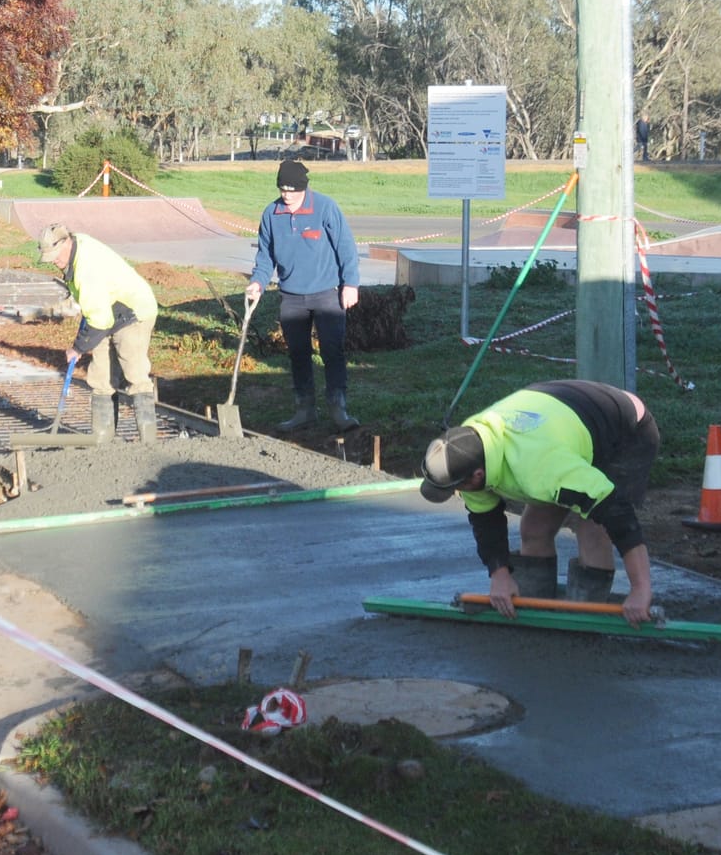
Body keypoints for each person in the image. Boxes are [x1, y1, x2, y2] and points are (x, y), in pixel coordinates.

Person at [419, 380, 660, 625]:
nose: (457, 493)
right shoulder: (470, 450)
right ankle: (535, 611)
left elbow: (618, 515)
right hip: (561, 422)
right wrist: (499, 575)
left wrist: (640, 589)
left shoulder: (540, 468)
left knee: (591, 529)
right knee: (533, 530)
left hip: (624, 429)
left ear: (477, 475)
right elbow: (486, 522)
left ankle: (586, 619)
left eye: (455, 488)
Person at [244, 160, 360, 432]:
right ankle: (304, 409)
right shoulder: (271, 214)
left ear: (304, 189)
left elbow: (346, 248)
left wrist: (350, 284)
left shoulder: (325, 207)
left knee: (332, 350)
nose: (287, 195)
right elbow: (265, 255)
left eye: (292, 191)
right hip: (291, 296)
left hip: (326, 293)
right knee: (298, 353)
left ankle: (338, 407)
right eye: (282, 190)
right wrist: (258, 282)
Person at [36, 222, 159, 442]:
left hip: (133, 311)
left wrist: (78, 348)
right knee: (100, 377)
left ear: (66, 243)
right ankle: (103, 442)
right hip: (105, 311)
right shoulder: (74, 251)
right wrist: (82, 342)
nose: (54, 260)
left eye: (55, 254)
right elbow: (95, 312)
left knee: (135, 372)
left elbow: (100, 320)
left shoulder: (85, 267)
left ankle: (149, 443)